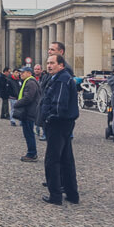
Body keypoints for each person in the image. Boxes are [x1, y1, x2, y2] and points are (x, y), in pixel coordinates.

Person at [38, 54, 79, 205]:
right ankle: (72, 194)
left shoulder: (61, 79)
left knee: (52, 161)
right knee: (66, 160)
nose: (49, 66)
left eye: (52, 63)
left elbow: (58, 104)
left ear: (61, 65)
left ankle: (55, 196)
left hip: (58, 124)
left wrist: (49, 117)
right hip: (65, 123)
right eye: (47, 63)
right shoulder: (62, 78)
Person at [11, 65, 40, 162]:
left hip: (29, 112)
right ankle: (31, 152)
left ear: (29, 73)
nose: (21, 74)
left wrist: (17, 103)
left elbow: (28, 98)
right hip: (28, 111)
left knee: (29, 133)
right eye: (20, 72)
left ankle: (32, 154)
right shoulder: (28, 82)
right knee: (28, 133)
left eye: (23, 72)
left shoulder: (30, 83)